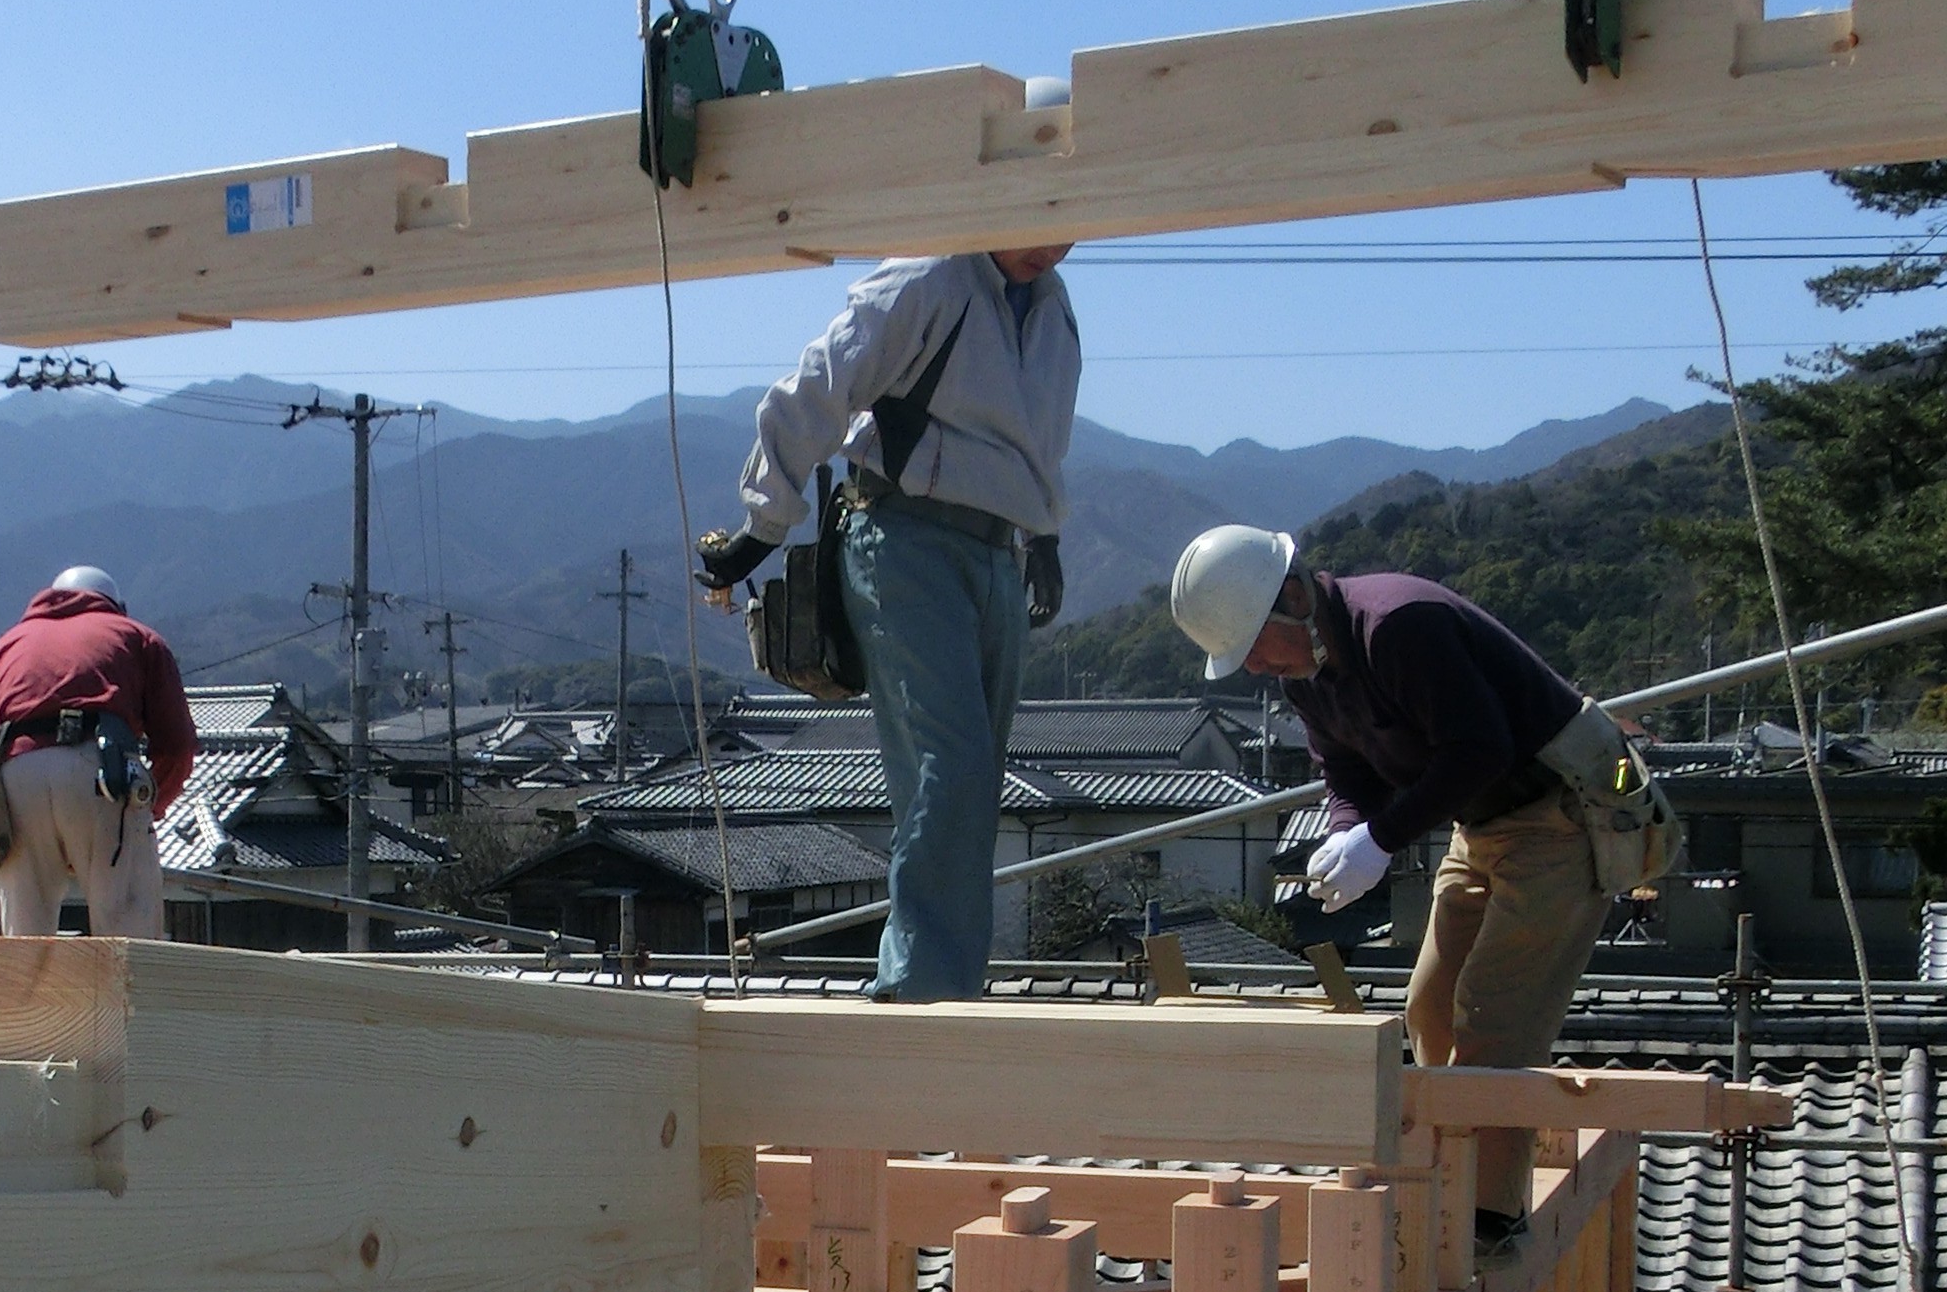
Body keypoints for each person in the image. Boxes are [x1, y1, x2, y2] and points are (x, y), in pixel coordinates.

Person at [1169, 523, 1666, 1232]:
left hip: (1558, 817)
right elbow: (1346, 773)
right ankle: (1454, 1162)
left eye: (1252, 644)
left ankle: (1489, 1214)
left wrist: (1383, 839)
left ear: (1293, 597)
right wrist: (1347, 833)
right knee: (1429, 1007)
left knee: (1496, 1016)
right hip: (1482, 825)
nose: (1253, 667)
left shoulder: (1397, 627)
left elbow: (1480, 746)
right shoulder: (1309, 678)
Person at [699, 247, 1081, 999]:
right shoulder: (933, 276)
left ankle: (946, 983)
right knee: (951, 768)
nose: (1052, 244)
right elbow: (821, 383)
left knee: (974, 778)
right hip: (907, 536)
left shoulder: (1054, 307)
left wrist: (1045, 537)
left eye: (1068, 229)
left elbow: (1043, 437)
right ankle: (920, 989)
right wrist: (764, 523)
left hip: (999, 546)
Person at [0, 565, 196, 939]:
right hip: (98, 769)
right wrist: (147, 808)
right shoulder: (136, 636)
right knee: (126, 924)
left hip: (14, 777)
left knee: (24, 935)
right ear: (115, 604)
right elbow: (177, 748)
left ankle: (26, 997)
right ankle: (127, 998)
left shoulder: (7, 643)